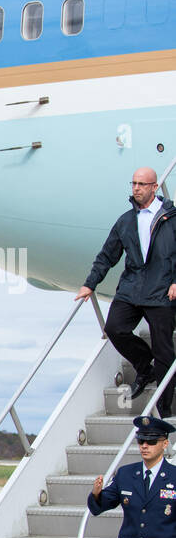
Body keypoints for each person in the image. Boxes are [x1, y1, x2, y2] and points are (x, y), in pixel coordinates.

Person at [74, 166, 176, 416]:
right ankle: (144, 367)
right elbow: (107, 256)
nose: (136, 189)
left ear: (154, 187)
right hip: (131, 290)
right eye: (134, 184)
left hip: (162, 291)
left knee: (164, 352)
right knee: (114, 329)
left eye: (142, 184)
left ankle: (164, 410)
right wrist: (90, 283)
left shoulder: (171, 218)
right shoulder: (126, 221)